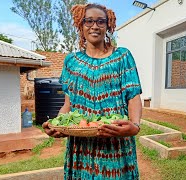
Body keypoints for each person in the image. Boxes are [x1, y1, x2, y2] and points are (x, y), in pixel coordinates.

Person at [42, 3, 142, 179]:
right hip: (81, 147)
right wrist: (57, 125)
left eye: (100, 22)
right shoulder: (71, 62)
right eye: (89, 21)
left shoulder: (122, 57)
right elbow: (68, 103)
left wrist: (134, 126)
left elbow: (133, 96)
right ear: (81, 25)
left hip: (115, 141)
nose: (95, 26)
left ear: (108, 26)